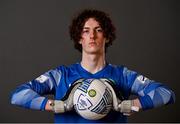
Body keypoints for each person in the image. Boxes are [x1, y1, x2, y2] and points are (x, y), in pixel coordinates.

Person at [10, 9, 175, 123]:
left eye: (98, 30)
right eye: (86, 31)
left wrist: (134, 104)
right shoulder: (60, 76)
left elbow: (166, 94)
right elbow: (18, 95)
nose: (92, 36)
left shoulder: (123, 76)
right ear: (79, 38)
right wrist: (55, 105)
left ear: (107, 37)